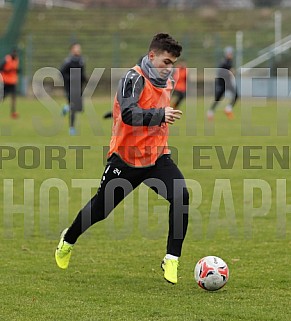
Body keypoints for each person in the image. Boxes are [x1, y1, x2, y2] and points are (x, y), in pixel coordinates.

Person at [55, 33, 189, 285]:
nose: (169, 68)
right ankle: (68, 239)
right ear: (152, 56)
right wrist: (160, 115)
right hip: (125, 160)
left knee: (181, 196)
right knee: (100, 211)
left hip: (157, 157)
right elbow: (128, 113)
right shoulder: (133, 77)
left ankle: (172, 259)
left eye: (172, 63)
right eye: (166, 62)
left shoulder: (166, 81)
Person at [60, 43, 87, 135]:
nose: (78, 50)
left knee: (80, 108)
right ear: (72, 50)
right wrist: (70, 79)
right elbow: (62, 73)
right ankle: (71, 128)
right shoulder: (68, 61)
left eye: (79, 48)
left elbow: (82, 73)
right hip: (70, 87)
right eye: (76, 48)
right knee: (74, 108)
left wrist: (84, 80)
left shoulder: (81, 61)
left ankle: (66, 108)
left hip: (78, 87)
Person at [207, 46, 238, 121]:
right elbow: (220, 73)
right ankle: (210, 112)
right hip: (222, 83)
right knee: (218, 99)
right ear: (226, 54)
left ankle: (228, 109)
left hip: (228, 82)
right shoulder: (223, 62)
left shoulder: (230, 61)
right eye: (229, 53)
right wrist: (229, 72)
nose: (231, 55)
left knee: (236, 95)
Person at [0, 48, 20, 119]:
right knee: (2, 97)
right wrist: (8, 70)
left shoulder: (16, 60)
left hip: (13, 81)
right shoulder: (7, 59)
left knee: (14, 97)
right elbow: (1, 68)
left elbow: (15, 70)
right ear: (11, 53)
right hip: (6, 81)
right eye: (14, 53)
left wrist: (17, 70)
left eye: (16, 53)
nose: (15, 54)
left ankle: (13, 112)